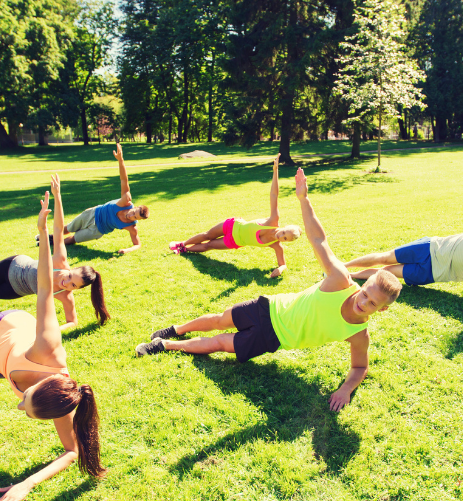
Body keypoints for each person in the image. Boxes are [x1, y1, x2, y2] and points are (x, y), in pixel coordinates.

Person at [137, 168, 402, 412]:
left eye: (372, 303)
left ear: (382, 309)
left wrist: (345, 389)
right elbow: (319, 239)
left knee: (220, 343)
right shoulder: (340, 281)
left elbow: (360, 366)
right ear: (363, 284)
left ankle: (166, 345)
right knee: (219, 319)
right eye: (365, 293)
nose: (362, 302)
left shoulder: (358, 334)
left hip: (272, 338)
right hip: (269, 306)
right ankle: (177, 329)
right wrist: (303, 199)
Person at [344, 137, 463, 315]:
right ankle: (341, 267)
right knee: (385, 257)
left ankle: (349, 275)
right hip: (431, 247)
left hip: (433, 272)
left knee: (386, 272)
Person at [0, 190, 106, 501]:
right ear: (43, 385)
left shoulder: (61, 403)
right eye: (26, 400)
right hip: (8, 328)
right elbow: (45, 287)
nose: (19, 404)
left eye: (24, 406)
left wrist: (27, 483)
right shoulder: (48, 349)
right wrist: (43, 231)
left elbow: (73, 451)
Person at [1, 175, 110, 330]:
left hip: (15, 289)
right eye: (70, 276)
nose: (66, 282)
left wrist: (54, 330)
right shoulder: (60, 260)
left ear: (76, 289)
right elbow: (58, 229)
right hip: (12, 266)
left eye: (72, 285)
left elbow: (72, 321)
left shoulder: (65, 295)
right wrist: (57, 195)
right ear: (71, 269)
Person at [169, 155, 301, 278]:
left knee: (209, 245)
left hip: (234, 241)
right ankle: (182, 243)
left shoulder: (276, 245)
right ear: (283, 227)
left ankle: (184, 250)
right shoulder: (273, 221)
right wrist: (275, 170)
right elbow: (274, 195)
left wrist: (280, 269)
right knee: (207, 235)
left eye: (285, 238)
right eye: (283, 232)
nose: (281, 236)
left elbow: (283, 264)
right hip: (233, 225)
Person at [37, 143, 149, 254]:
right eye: (133, 212)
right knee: (69, 228)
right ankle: (49, 237)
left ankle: (50, 243)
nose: (130, 216)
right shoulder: (126, 201)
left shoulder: (131, 226)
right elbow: (124, 179)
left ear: (138, 220)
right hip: (93, 213)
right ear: (134, 207)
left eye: (135, 217)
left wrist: (127, 250)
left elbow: (137, 244)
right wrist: (121, 160)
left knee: (74, 239)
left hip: (97, 230)